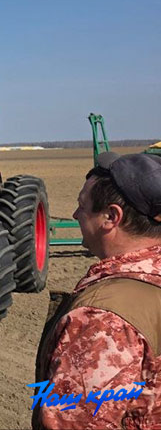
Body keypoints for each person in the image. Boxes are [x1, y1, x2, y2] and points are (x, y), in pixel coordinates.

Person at [33, 152, 161, 429]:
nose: (75, 214)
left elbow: (75, 422)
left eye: (82, 205)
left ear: (111, 217)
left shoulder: (103, 318)